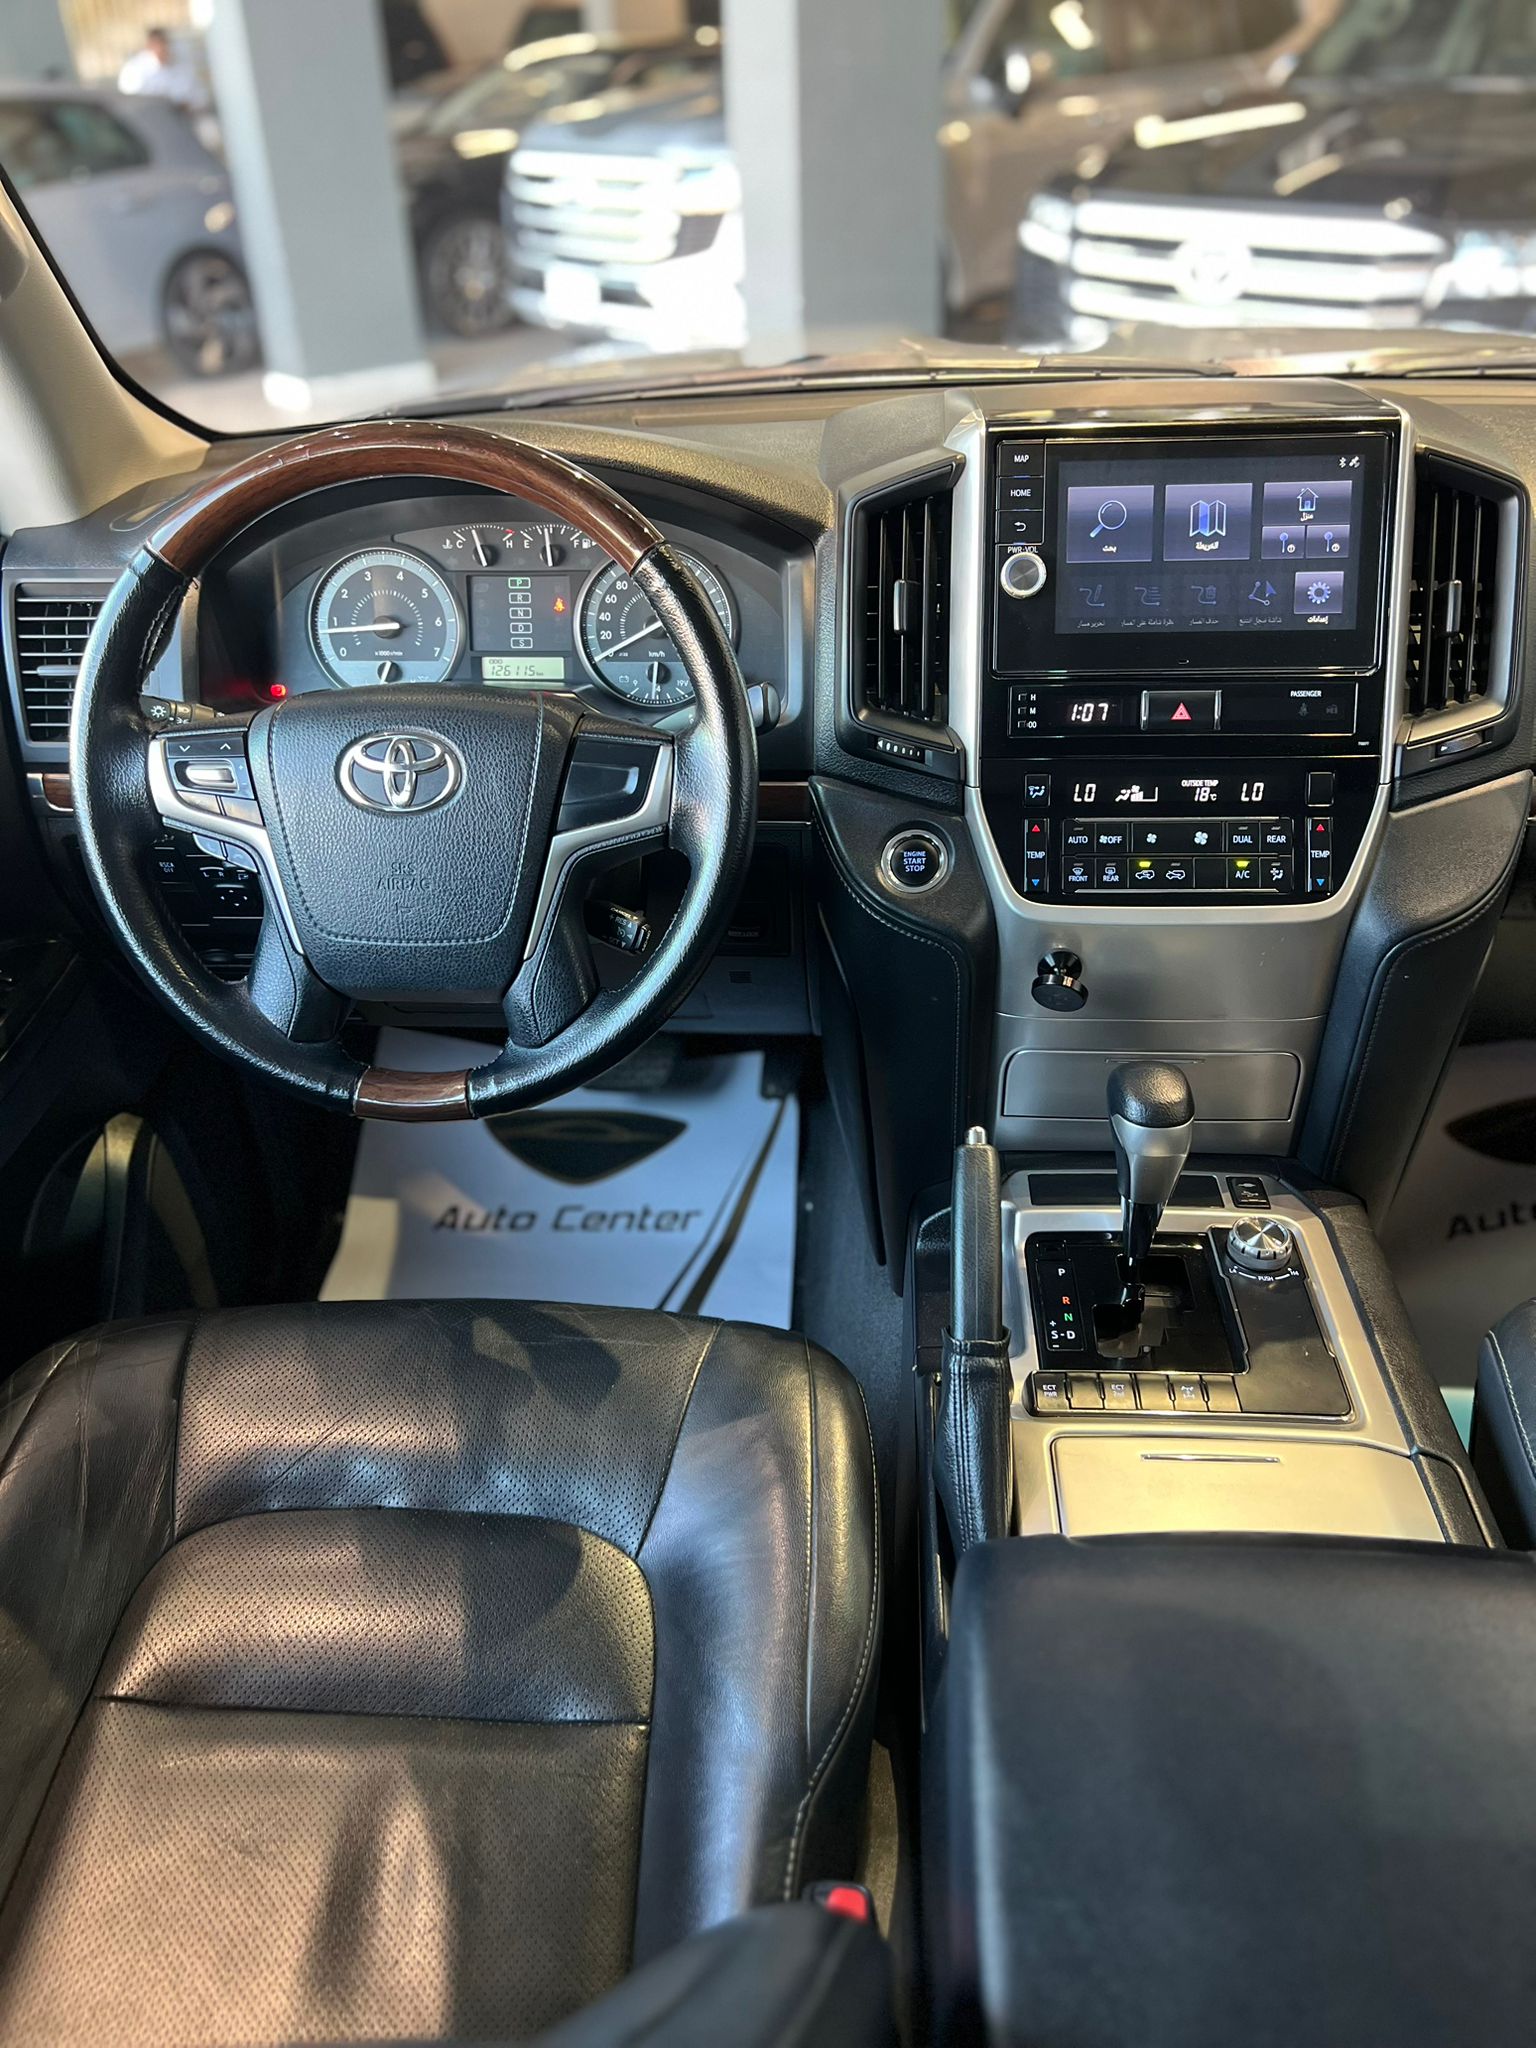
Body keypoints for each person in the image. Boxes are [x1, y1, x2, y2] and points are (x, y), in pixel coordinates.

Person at [116, 25, 204, 111]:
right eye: (157, 45)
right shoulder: (134, 69)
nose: (162, 49)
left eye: (164, 44)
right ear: (149, 46)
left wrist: (186, 106)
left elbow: (199, 98)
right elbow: (130, 103)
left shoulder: (181, 66)